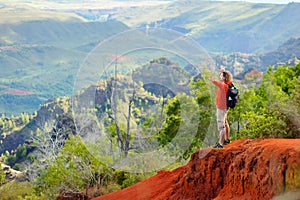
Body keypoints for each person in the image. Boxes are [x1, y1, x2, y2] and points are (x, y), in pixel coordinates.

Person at [209, 67, 232, 149]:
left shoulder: (222, 85)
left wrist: (211, 80)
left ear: (224, 78)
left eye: (221, 76)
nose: (220, 76)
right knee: (225, 123)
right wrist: (223, 71)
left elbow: (216, 83)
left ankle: (221, 144)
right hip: (225, 107)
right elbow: (224, 79)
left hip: (221, 108)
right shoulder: (228, 83)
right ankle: (227, 139)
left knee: (221, 126)